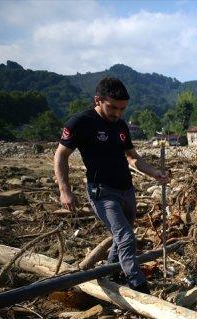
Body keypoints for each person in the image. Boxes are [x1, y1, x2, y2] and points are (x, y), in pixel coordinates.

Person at [53, 77, 169, 293]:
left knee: (121, 236)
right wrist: (64, 190)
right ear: (98, 100)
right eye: (113, 107)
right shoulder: (80, 123)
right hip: (102, 193)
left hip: (126, 190)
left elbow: (133, 157)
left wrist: (155, 173)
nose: (118, 113)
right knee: (126, 236)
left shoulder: (121, 125)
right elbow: (61, 155)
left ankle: (110, 274)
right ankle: (138, 285)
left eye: (122, 109)